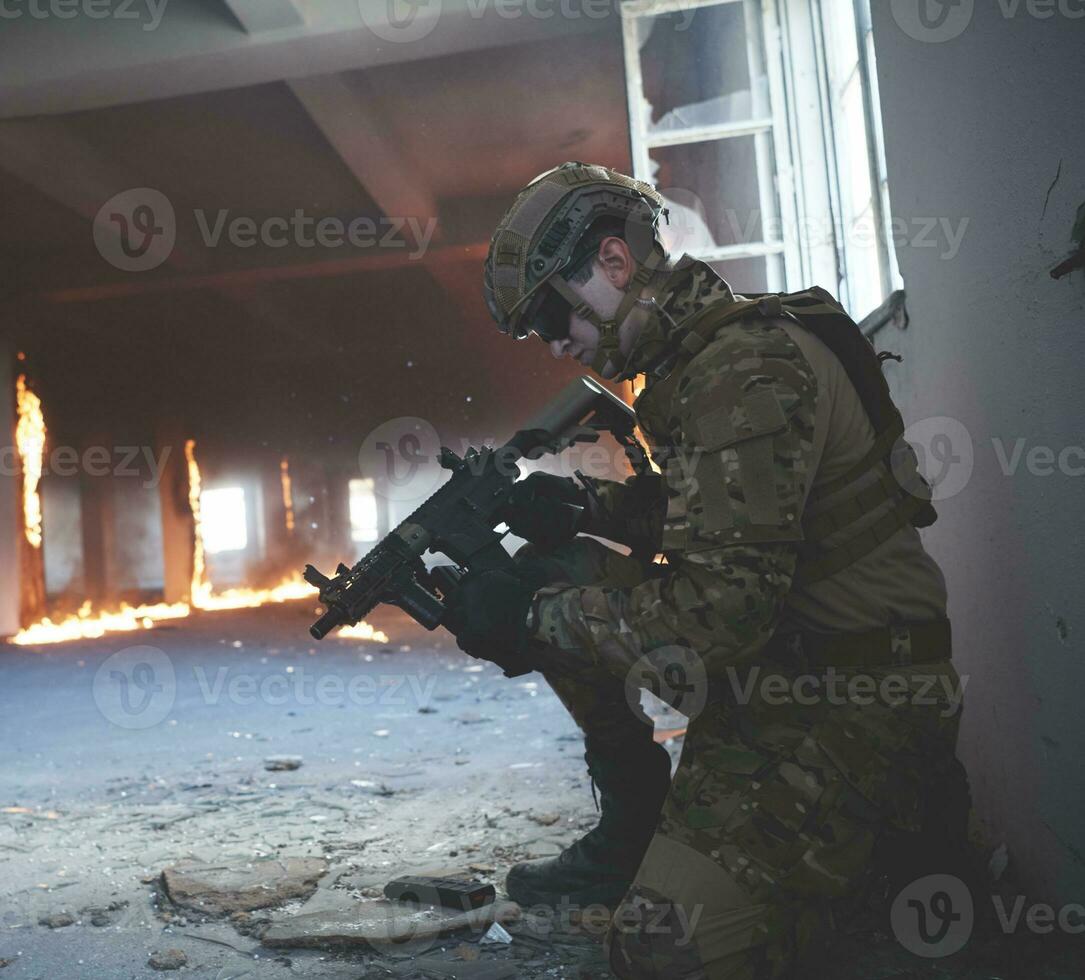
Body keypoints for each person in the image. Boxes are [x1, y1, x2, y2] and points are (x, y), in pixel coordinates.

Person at [447, 162, 972, 978]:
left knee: (660, 950)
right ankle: (636, 824)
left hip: (856, 698)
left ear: (614, 263)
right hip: (785, 666)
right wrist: (584, 509)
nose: (552, 344)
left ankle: (889, 847)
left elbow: (716, 620)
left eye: (553, 312)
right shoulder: (698, 362)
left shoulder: (741, 370)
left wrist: (528, 621)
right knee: (558, 567)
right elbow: (729, 516)